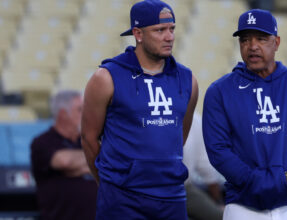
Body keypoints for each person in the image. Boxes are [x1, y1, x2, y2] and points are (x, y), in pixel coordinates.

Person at [202, 9, 287, 219]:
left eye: (261, 38)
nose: (252, 47)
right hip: (242, 205)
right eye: (245, 40)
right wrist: (251, 181)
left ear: (276, 42)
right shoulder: (219, 91)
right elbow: (218, 149)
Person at [80, 0, 198, 219]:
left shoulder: (187, 80)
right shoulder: (106, 77)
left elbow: (178, 136)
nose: (169, 36)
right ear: (138, 33)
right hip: (122, 198)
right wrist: (109, 182)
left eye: (172, 29)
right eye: (160, 30)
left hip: (172, 197)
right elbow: (89, 139)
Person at [31, 90, 97, 220]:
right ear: (63, 114)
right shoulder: (43, 142)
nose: (86, 114)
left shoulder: (88, 140)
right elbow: (64, 161)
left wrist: (79, 166)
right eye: (80, 110)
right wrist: (96, 162)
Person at [183, 112, 224, 220]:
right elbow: (206, 167)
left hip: (184, 189)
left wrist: (218, 201)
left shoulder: (195, 120)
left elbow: (206, 168)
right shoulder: (194, 119)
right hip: (180, 188)